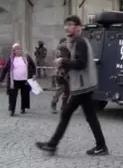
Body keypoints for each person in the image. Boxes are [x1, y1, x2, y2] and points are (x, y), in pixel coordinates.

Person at [35, 15, 108, 156]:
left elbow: (81, 63)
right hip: (84, 86)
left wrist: (63, 61)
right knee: (89, 116)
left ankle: (52, 144)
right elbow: (78, 63)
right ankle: (101, 146)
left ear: (78, 28)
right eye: (66, 24)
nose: (67, 27)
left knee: (67, 114)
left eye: (70, 24)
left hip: (82, 87)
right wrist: (66, 66)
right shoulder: (76, 42)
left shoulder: (79, 41)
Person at [0, 43, 36, 116]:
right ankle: (12, 110)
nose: (19, 50)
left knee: (25, 95)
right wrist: (1, 79)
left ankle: (23, 108)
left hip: (25, 80)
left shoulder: (26, 57)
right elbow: (5, 69)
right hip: (14, 81)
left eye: (20, 49)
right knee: (12, 95)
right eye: (17, 49)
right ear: (14, 51)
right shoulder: (11, 59)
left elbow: (33, 65)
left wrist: (34, 74)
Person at [50, 37, 71, 114]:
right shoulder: (58, 51)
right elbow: (59, 61)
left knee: (67, 91)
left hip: (67, 73)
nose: (66, 43)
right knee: (59, 90)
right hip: (60, 74)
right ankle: (53, 104)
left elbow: (69, 60)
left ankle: (64, 106)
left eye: (66, 42)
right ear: (61, 43)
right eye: (64, 42)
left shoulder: (68, 50)